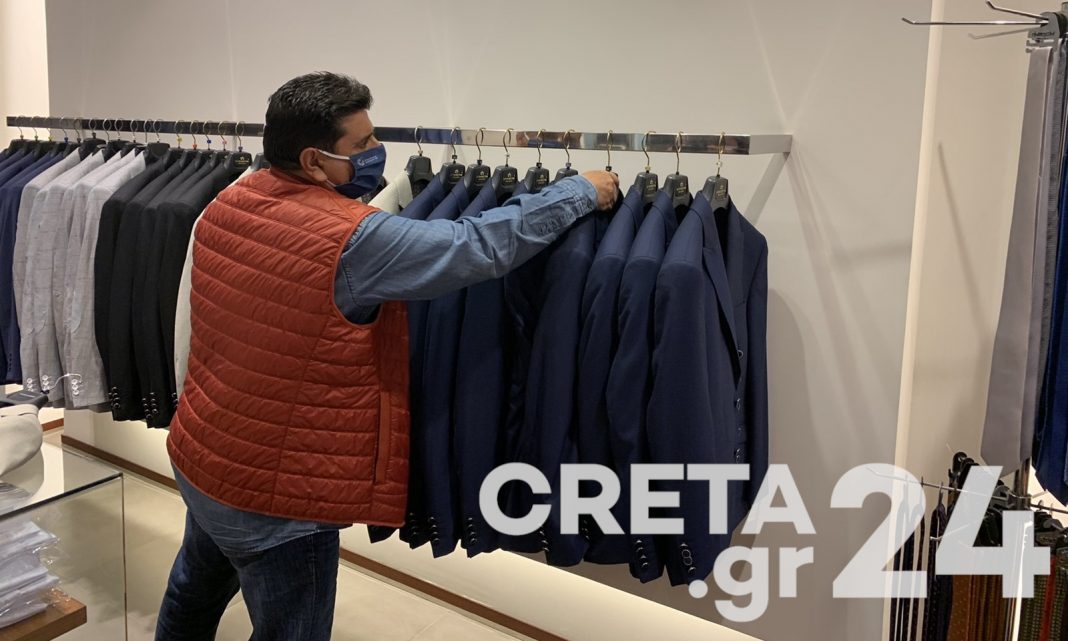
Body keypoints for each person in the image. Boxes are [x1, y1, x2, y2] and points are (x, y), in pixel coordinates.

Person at [155, 71, 618, 640]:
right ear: (313, 160)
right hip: (280, 499)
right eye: (363, 143)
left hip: (205, 455)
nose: (378, 151)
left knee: (191, 595)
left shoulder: (229, 202)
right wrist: (577, 192)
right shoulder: (351, 239)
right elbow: (475, 245)